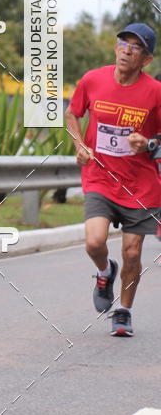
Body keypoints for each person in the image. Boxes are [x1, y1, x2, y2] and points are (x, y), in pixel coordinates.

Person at [65, 22, 161, 337]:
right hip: (100, 176)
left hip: (140, 185)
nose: (127, 50)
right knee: (94, 242)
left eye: (136, 47)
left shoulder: (155, 92)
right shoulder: (93, 79)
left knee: (132, 252)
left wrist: (147, 144)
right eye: (124, 43)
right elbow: (72, 113)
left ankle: (124, 311)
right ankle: (105, 273)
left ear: (146, 59)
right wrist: (79, 144)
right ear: (116, 47)